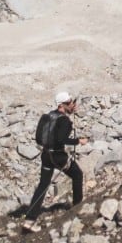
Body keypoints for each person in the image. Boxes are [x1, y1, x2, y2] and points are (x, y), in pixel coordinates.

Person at [25, 90, 83, 222]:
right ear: (61, 105)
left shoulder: (46, 116)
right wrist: (79, 141)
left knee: (43, 184)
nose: (72, 105)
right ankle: (78, 207)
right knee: (77, 174)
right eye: (69, 103)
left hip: (45, 155)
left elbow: (38, 139)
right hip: (58, 157)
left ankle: (30, 217)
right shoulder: (64, 121)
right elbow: (62, 139)